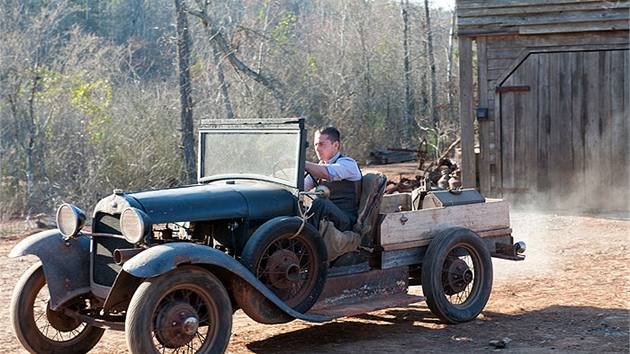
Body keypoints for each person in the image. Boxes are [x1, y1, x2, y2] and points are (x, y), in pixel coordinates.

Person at [304, 126, 362, 232]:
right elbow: (303, 186)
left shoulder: (348, 164)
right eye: (316, 145)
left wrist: (301, 162)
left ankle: (305, 241)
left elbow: (328, 173)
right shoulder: (320, 166)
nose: (317, 149)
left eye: (321, 144)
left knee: (320, 202)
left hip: (346, 219)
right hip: (327, 215)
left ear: (335, 145)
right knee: (296, 206)